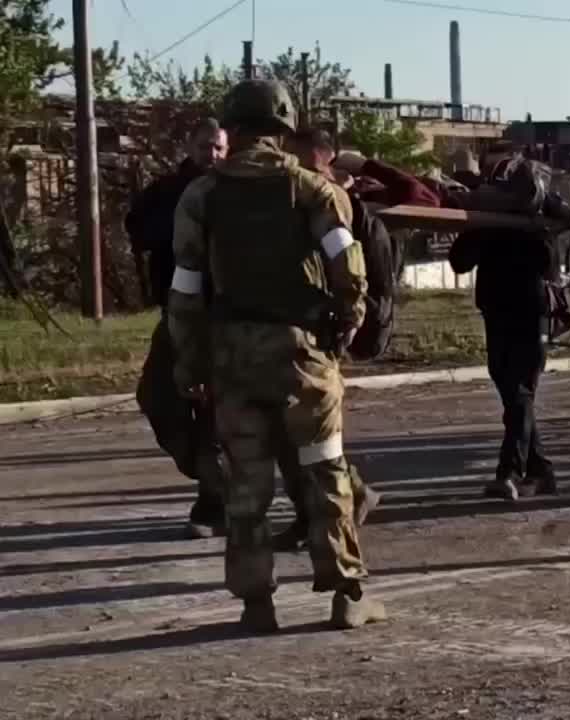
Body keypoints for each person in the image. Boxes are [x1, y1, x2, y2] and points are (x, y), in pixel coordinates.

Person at [169, 80, 384, 632]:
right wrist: (345, 323)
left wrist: (189, 362)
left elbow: (186, 291)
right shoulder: (316, 190)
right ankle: (347, 595)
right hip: (302, 359)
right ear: (286, 130)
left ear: (232, 131)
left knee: (246, 484)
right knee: (325, 473)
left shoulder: (201, 197)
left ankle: (256, 604)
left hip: (233, 361)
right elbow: (348, 267)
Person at [269, 128, 383, 552]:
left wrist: (354, 314)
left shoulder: (327, 197)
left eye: (302, 158)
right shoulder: (285, 194)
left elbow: (355, 260)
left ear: (323, 158)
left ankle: (339, 518)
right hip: (279, 327)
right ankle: (314, 513)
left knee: (315, 439)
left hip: (313, 330)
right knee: (288, 438)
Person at [448, 144, 567, 501]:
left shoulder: (538, 208)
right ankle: (542, 471)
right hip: (496, 310)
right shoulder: (487, 214)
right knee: (513, 394)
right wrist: (478, 225)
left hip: (532, 311)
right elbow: (459, 261)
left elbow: (554, 246)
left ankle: (509, 473)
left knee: (520, 393)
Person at [128, 119, 229, 539]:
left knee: (213, 415)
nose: (214, 154)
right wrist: (184, 223)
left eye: (221, 147)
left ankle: (213, 505)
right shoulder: (168, 190)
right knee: (156, 396)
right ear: (191, 145)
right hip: (176, 314)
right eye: (207, 146)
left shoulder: (237, 192)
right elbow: (138, 230)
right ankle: (215, 479)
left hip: (223, 318)